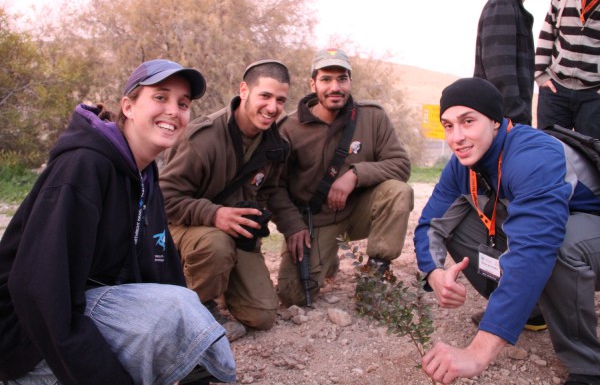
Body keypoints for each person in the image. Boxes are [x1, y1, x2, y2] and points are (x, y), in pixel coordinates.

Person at [0, 59, 236, 385]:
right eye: (160, 97)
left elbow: (161, 267)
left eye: (183, 104)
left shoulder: (145, 174)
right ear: (128, 106)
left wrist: (194, 350)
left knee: (183, 308)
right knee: (174, 311)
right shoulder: (83, 166)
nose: (174, 110)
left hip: (79, 312)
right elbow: (38, 290)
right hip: (24, 341)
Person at [414, 77, 600, 385]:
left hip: (590, 227)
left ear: (497, 122)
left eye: (468, 121)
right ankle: (533, 311)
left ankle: (589, 367)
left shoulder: (532, 155)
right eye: (448, 126)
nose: (457, 137)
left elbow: (534, 251)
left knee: (560, 246)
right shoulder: (462, 164)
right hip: (556, 229)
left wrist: (478, 352)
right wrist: (433, 272)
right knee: (455, 224)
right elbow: (429, 223)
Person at [269, 48, 413, 307]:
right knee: (293, 296)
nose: (335, 87)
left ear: (350, 82)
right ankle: (328, 255)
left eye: (342, 79)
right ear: (313, 83)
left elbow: (401, 165)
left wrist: (355, 176)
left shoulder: (372, 116)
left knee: (398, 191)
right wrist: (293, 225)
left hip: (358, 211)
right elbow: (274, 187)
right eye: (326, 79)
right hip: (316, 220)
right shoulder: (288, 129)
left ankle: (376, 275)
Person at [159, 59, 290, 341]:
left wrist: (291, 226)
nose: (272, 108)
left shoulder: (276, 145)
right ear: (244, 90)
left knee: (262, 315)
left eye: (280, 100)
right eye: (265, 96)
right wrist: (214, 215)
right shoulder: (203, 137)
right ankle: (198, 310)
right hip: (183, 227)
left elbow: (271, 191)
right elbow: (165, 196)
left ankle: (218, 282)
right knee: (214, 244)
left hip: (235, 234)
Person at [535, 0, 600, 138]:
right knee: (548, 152)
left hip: (593, 95)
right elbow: (548, 31)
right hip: (555, 91)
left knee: (592, 156)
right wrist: (540, 75)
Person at [474, 0, 540, 125]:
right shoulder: (503, 3)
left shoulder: (513, 5)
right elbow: (499, 73)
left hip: (506, 122)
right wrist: (517, 120)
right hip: (503, 122)